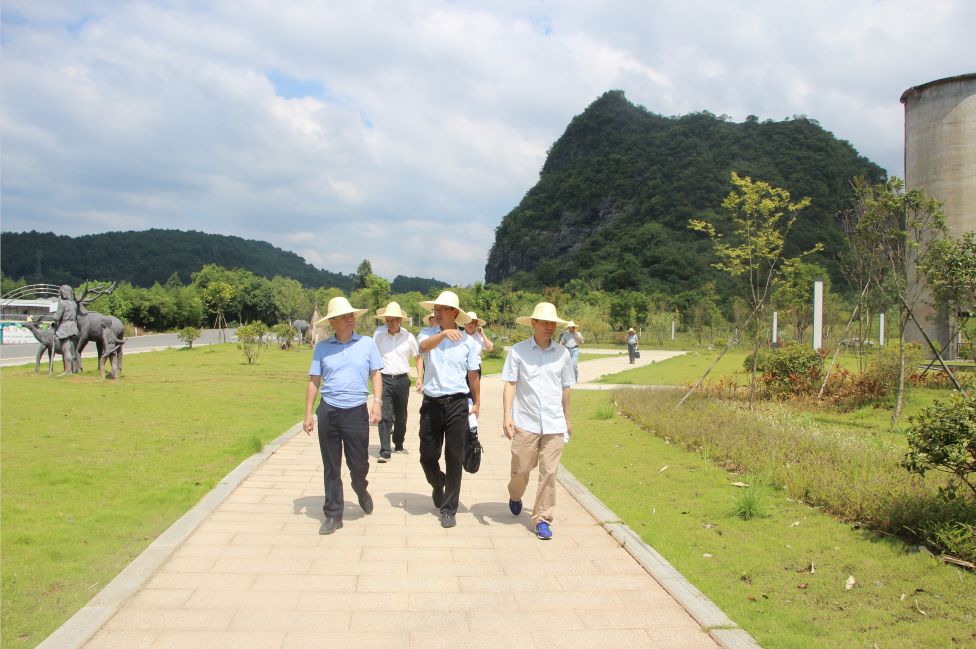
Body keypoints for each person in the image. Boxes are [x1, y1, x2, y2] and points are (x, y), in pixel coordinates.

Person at [303, 296, 383, 535]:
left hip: (356, 411)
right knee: (331, 465)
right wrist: (308, 412)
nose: (351, 320)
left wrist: (377, 402)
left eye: (352, 316)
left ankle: (360, 488)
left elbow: (376, 374)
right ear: (333, 322)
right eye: (345, 317)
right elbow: (314, 380)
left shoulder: (367, 344)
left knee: (358, 463)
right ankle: (333, 514)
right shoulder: (322, 348)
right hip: (329, 411)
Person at [503, 302, 576, 540]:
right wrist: (507, 416)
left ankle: (542, 518)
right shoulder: (518, 351)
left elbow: (566, 387)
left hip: (554, 424)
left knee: (549, 472)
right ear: (533, 323)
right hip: (526, 421)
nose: (549, 327)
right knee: (521, 469)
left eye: (552, 323)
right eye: (545, 322)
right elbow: (511, 384)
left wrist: (567, 417)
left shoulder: (563, 354)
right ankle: (515, 495)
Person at [417, 291, 480, 529]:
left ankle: (449, 508)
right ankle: (438, 482)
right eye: (436, 309)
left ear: (454, 313)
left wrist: (477, 402)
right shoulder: (428, 334)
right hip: (432, 403)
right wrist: (442, 334)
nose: (437, 312)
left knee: (455, 456)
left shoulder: (468, 343)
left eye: (443, 309)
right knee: (427, 455)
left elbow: (473, 376)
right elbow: (422, 348)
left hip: (457, 403)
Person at [373, 301, 422, 462]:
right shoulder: (378, 335)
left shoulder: (408, 337)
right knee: (385, 415)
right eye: (388, 319)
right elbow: (371, 356)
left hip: (402, 380)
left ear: (400, 320)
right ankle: (385, 450)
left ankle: (399, 443)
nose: (390, 322)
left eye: (394, 319)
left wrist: (420, 377)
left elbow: (418, 357)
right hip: (384, 379)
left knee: (401, 416)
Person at [52, 284, 79, 375]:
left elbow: (57, 317)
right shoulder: (74, 304)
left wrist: (53, 316)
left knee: (66, 349)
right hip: (73, 326)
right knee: (71, 349)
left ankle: (68, 371)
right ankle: (71, 369)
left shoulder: (63, 304)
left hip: (65, 328)